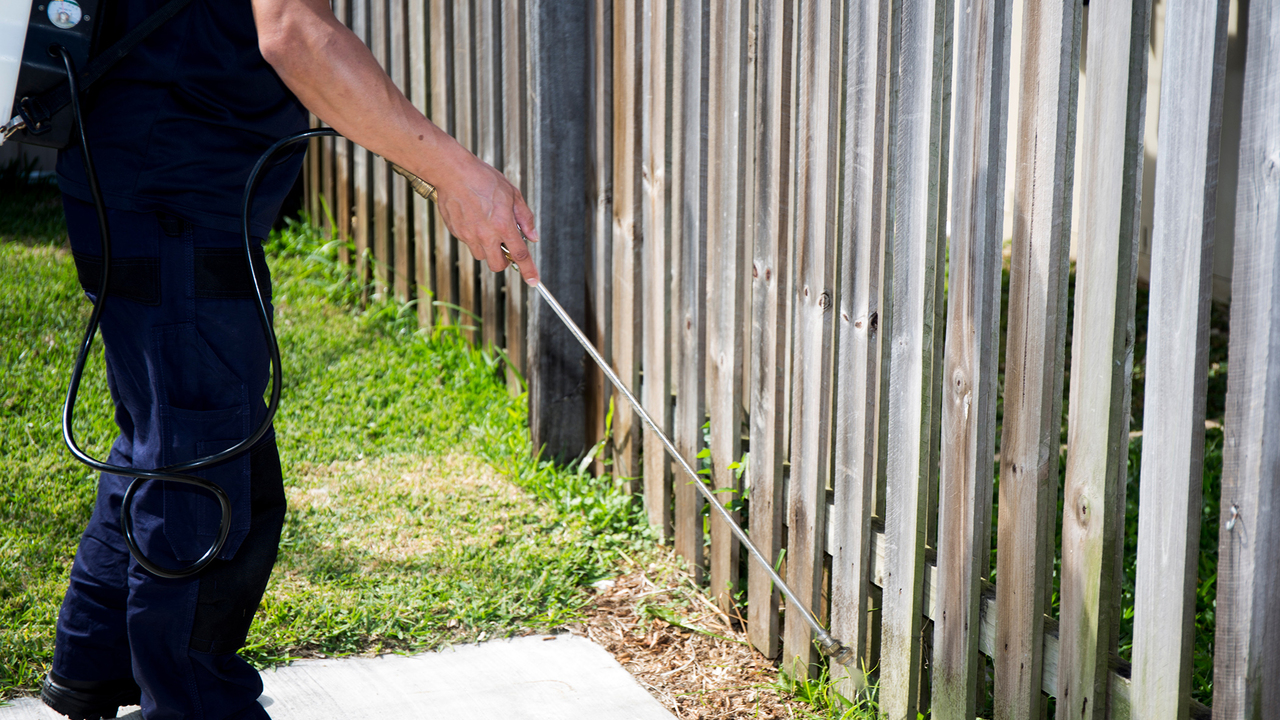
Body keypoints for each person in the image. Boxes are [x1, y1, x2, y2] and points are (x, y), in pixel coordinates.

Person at [40, 1, 537, 719]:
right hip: (168, 189)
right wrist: (455, 173)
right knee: (207, 473)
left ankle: (96, 659)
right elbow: (296, 34)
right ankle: (196, 705)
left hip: (150, 177)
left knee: (170, 432)